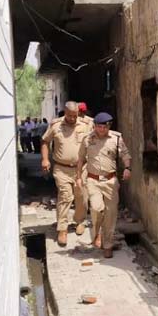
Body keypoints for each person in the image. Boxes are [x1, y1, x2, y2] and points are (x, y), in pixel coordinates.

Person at [76, 112, 130, 258]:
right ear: (94, 126)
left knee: (111, 214)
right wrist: (79, 177)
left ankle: (108, 244)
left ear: (108, 126)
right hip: (93, 180)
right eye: (98, 126)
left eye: (103, 127)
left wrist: (127, 168)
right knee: (96, 208)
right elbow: (80, 159)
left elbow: (125, 154)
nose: (100, 129)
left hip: (111, 181)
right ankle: (97, 231)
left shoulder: (116, 138)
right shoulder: (87, 139)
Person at [41, 102, 92, 246]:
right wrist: (45, 159)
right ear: (65, 112)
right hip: (62, 168)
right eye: (69, 115)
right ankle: (62, 228)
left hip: (81, 169)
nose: (72, 118)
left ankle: (79, 221)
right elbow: (44, 141)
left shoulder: (86, 124)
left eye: (75, 115)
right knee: (65, 196)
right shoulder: (56, 125)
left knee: (81, 196)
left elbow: (96, 139)